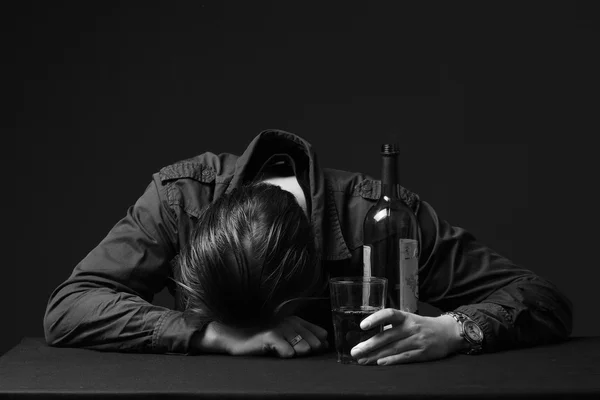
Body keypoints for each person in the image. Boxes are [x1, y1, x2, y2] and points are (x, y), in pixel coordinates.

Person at [43, 129, 573, 365]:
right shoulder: (181, 200)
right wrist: (210, 333)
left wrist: (453, 330)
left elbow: (539, 297)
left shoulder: (376, 214)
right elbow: (68, 307)